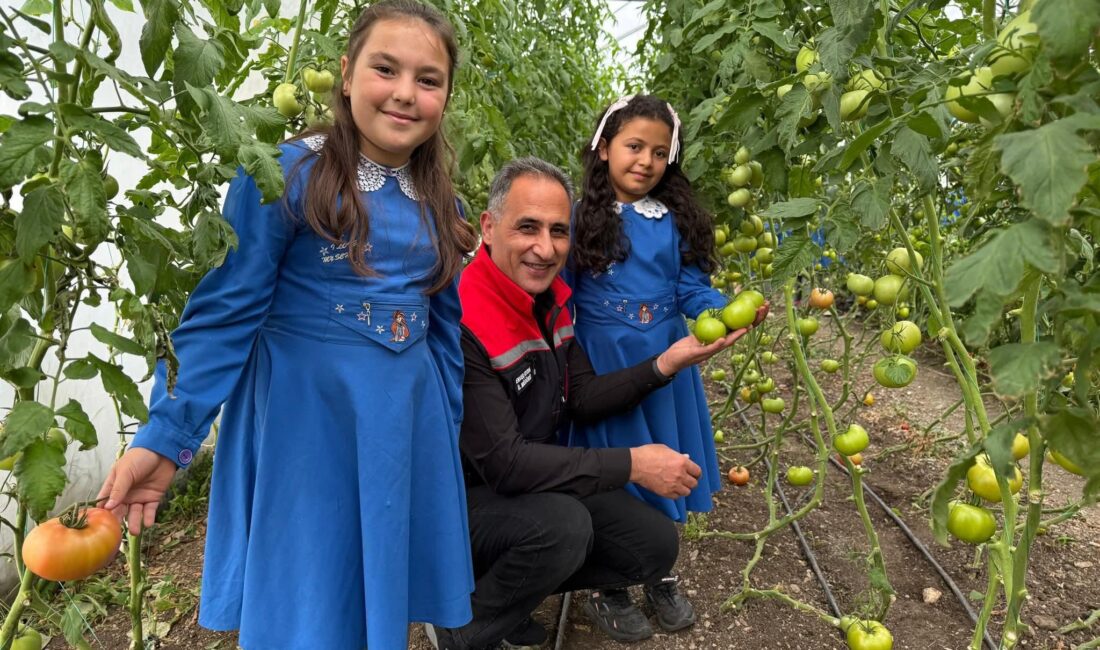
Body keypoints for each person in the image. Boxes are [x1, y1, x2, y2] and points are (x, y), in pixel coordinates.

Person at [95, 2, 477, 647]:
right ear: (347, 75)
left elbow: (443, 324)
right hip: (308, 425)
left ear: (446, 94)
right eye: (386, 69)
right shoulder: (285, 174)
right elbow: (225, 312)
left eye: (429, 79)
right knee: (312, 596)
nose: (406, 93)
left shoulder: (444, 199)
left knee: (378, 591)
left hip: (402, 425)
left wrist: (443, 419)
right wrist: (166, 434)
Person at [425, 158, 763, 650]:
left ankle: (510, 600)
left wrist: (666, 362)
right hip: (457, 502)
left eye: (559, 231)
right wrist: (631, 464)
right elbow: (506, 464)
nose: (545, 248)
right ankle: (462, 625)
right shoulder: (465, 317)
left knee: (652, 545)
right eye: (527, 228)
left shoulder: (549, 301)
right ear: (489, 227)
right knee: (562, 529)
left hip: (520, 489)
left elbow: (581, 396)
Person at [568, 94, 753, 634]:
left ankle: (659, 571)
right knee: (619, 462)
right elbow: (562, 295)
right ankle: (609, 583)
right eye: (633, 146)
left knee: (665, 460)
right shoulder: (582, 219)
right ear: (603, 149)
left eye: (658, 152)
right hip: (604, 365)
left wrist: (723, 310)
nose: (645, 161)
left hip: (666, 362)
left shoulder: (672, 222)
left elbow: (689, 289)